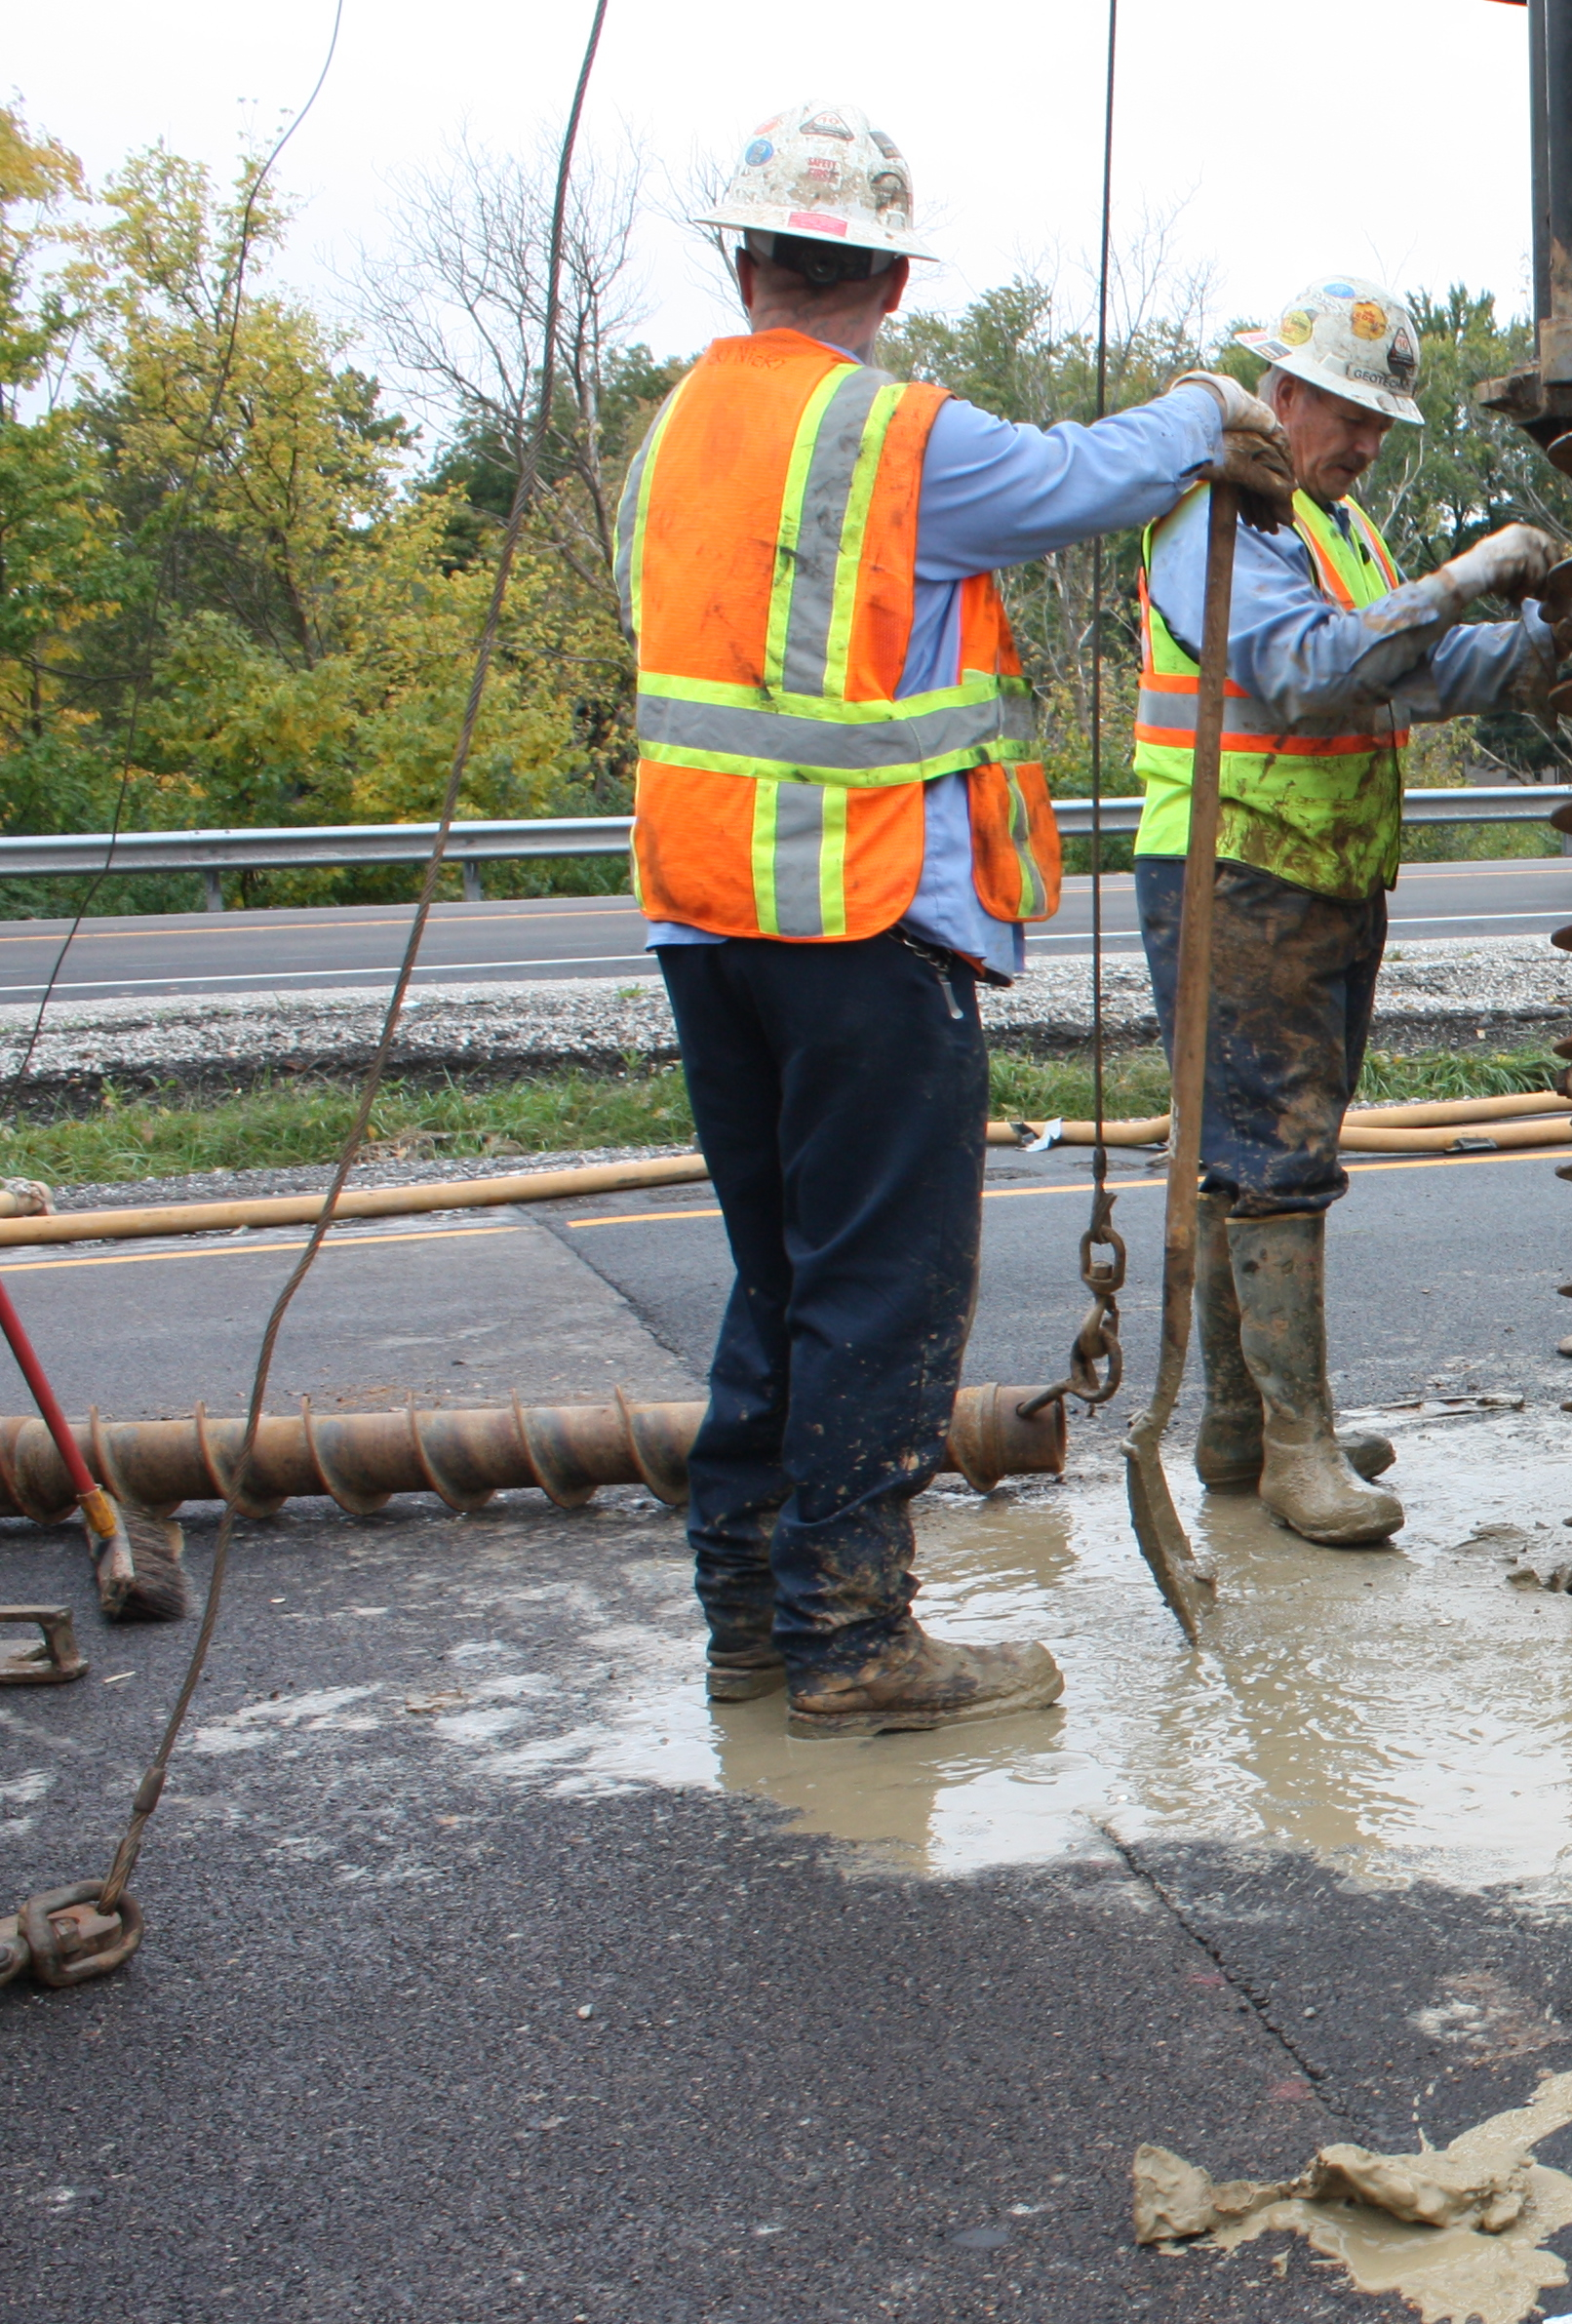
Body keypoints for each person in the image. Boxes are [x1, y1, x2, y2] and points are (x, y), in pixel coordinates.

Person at [623, 101, 1296, 1737]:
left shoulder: (678, 429)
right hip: (861, 924)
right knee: (881, 1286)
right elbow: (1077, 480)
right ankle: (853, 1640)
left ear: (746, 256)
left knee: (779, 1277)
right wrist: (1208, 408)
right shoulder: (885, 436)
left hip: (706, 921)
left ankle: (754, 1621)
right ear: (895, 273)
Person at [1132, 276, 1570, 1547]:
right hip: (1237, 870)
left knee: (1244, 1153)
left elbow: (1404, 671)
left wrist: (1543, 649)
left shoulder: (1337, 527)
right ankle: (1299, 1454)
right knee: (1273, 1158)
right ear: (1282, 396)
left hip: (1317, 874)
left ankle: (1244, 1431)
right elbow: (1313, 673)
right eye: (1353, 417)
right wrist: (1474, 570)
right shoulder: (1217, 522)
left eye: (1382, 424)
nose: (1370, 443)